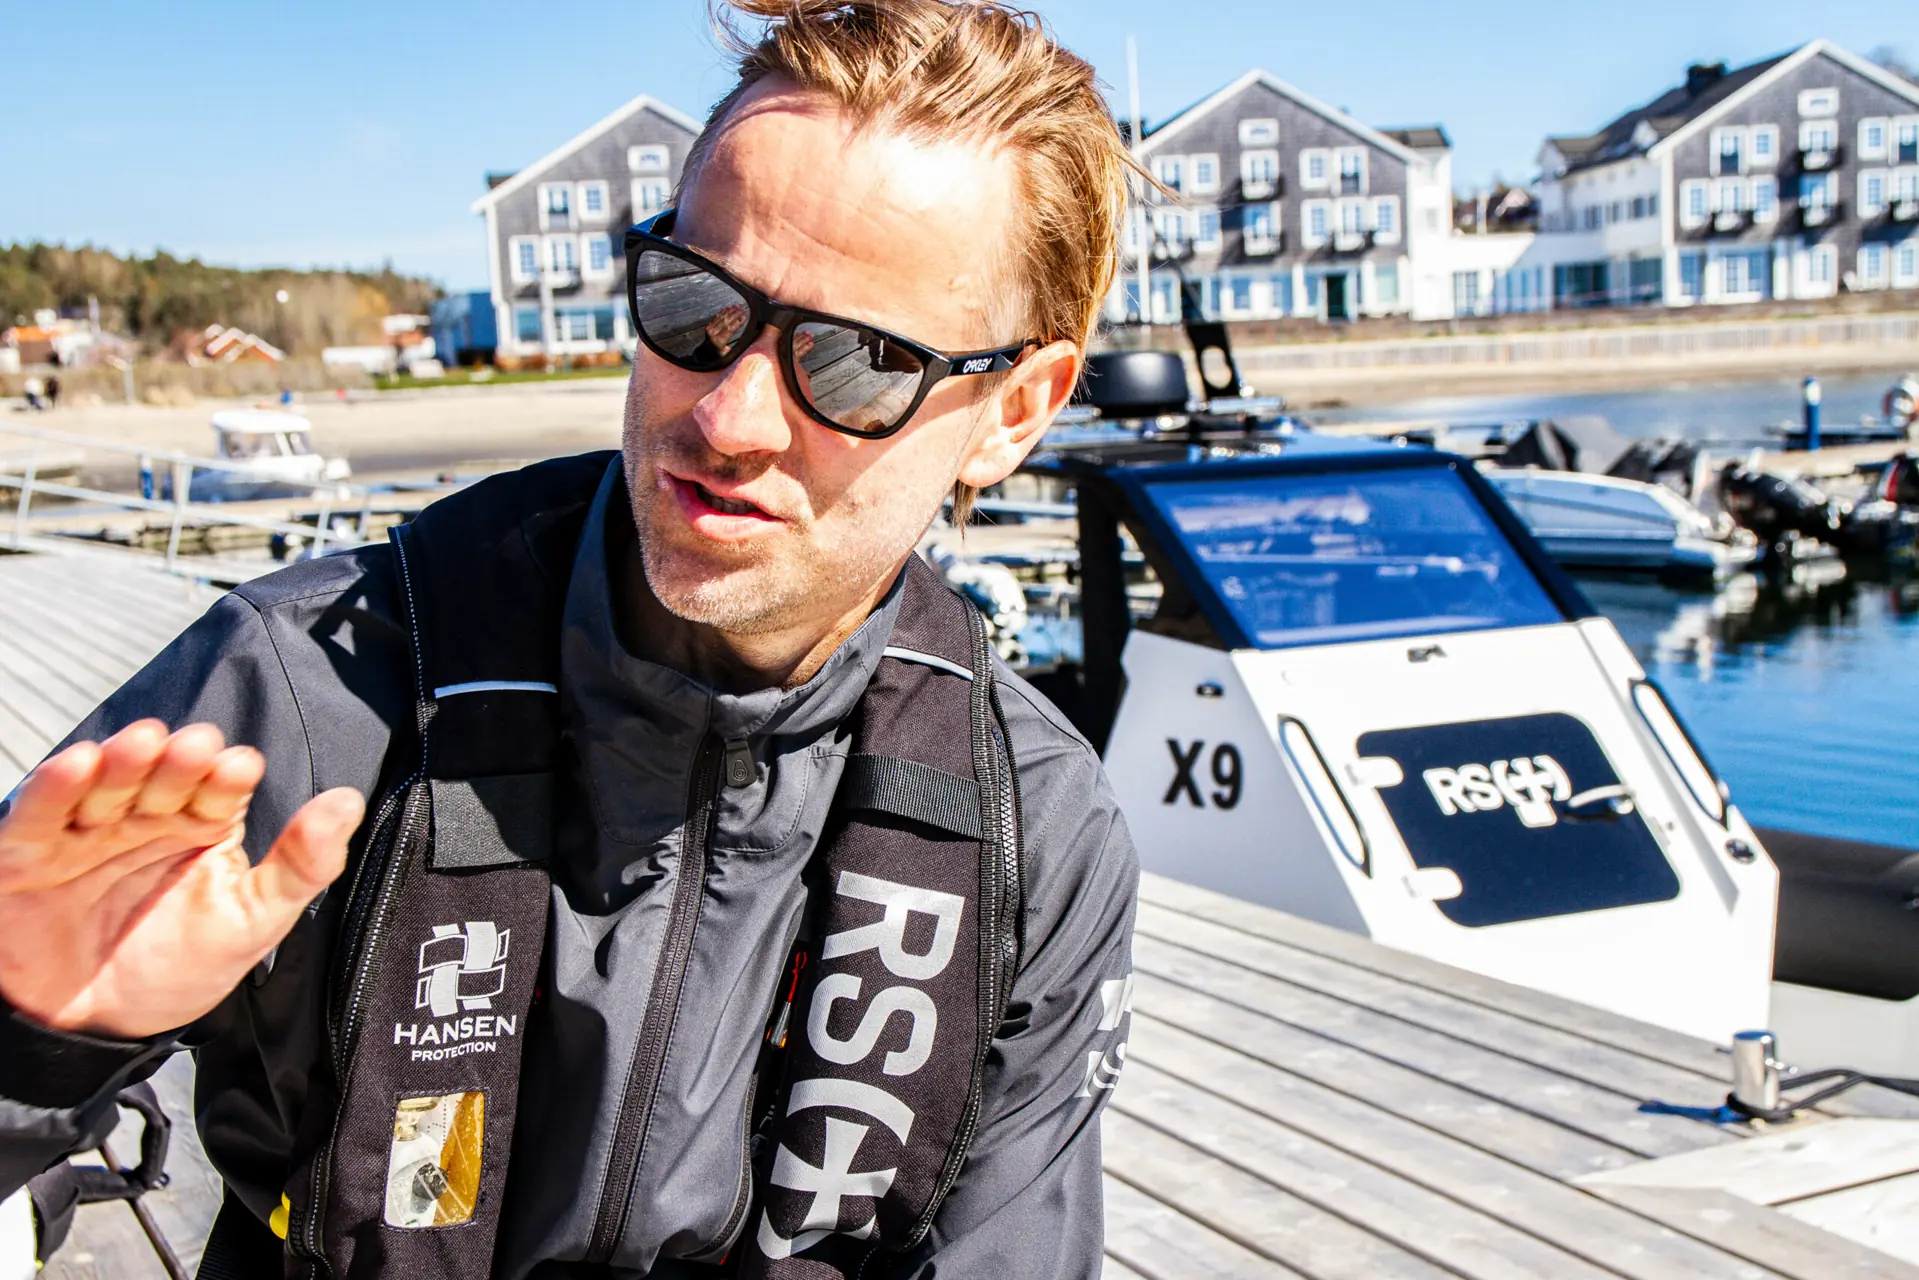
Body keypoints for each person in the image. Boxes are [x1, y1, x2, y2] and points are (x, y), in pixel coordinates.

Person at [0, 2, 1141, 1277]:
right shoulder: (316, 689)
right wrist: (33, 1037)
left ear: (1013, 411)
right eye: (696, 302)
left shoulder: (1028, 827)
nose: (730, 416)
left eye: (860, 361)